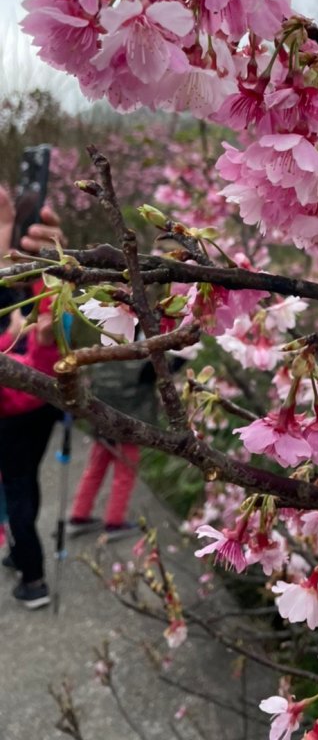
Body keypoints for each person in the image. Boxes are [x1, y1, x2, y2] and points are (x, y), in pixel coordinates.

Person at [0, 185, 65, 610]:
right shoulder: (33, 310)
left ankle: (33, 578)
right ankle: (23, 555)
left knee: (17, 492)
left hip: (14, 411)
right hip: (41, 404)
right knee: (25, 484)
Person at [67, 356, 158, 540]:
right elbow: (163, 371)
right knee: (124, 475)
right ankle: (114, 522)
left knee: (93, 471)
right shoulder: (139, 364)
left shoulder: (101, 358)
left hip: (103, 427)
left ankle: (79, 515)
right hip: (127, 430)